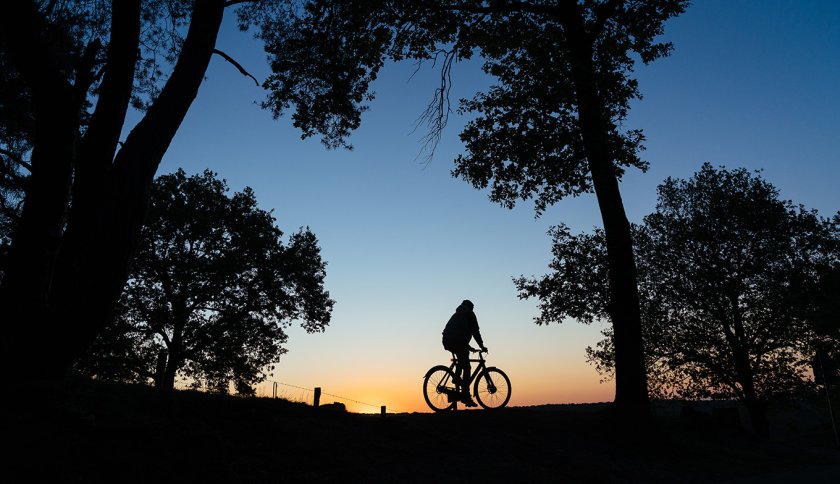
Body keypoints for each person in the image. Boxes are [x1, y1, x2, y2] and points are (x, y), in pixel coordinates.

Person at [442, 299, 487, 407]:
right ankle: (466, 396)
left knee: (463, 358)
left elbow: (459, 332)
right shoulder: (469, 314)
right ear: (471, 308)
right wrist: (482, 346)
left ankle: (457, 378)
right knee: (467, 367)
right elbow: (475, 331)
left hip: (448, 340)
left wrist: (469, 347)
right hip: (456, 341)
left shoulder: (458, 314)